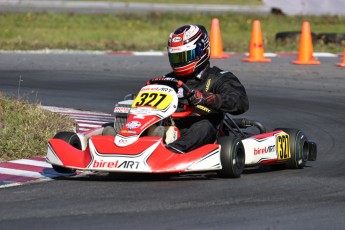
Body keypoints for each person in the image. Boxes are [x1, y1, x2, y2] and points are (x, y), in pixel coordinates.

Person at [160, 24, 249, 153]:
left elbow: (240, 101)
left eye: (184, 56)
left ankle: (170, 152)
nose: (180, 62)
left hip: (202, 129)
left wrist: (207, 99)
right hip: (168, 126)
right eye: (176, 57)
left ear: (203, 51)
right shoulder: (166, 81)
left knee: (204, 127)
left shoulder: (218, 78)